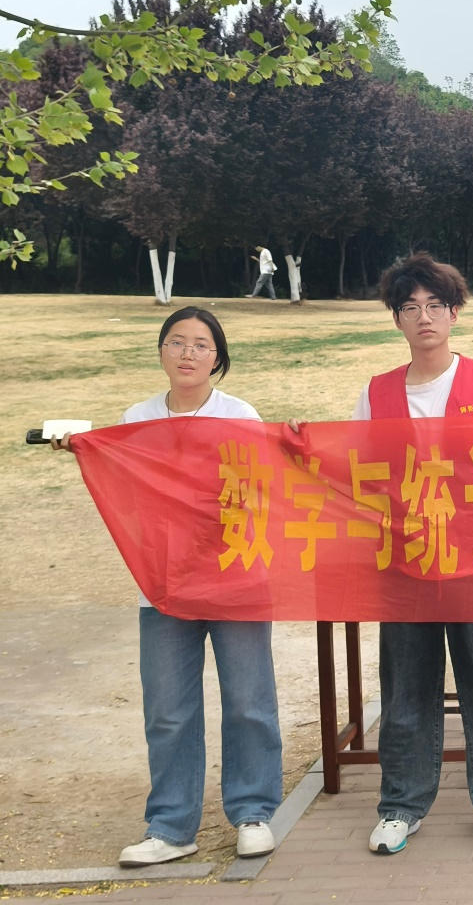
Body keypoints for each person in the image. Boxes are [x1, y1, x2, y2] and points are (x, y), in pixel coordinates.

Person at [53, 307, 283, 867]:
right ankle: (172, 826)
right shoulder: (137, 419)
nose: (188, 353)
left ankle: (253, 813)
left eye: (201, 345)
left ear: (217, 358)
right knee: (168, 710)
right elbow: (127, 495)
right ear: (161, 351)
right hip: (164, 585)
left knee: (248, 701)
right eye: (177, 342)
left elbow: (261, 490)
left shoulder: (239, 414)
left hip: (234, 580)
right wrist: (85, 447)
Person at [355, 253, 473, 856]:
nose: (424, 317)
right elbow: (357, 469)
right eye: (410, 307)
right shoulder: (377, 392)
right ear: (396, 319)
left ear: (455, 314)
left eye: (435, 305)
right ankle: (400, 806)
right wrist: (303, 450)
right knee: (406, 689)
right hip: (405, 561)